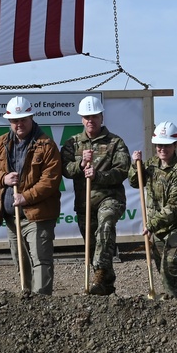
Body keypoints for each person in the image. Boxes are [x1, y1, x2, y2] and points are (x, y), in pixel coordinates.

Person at [0, 96, 62, 295]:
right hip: (12, 217)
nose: (19, 124)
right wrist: (3, 178)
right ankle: (27, 302)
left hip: (38, 216)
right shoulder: (1, 143)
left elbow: (50, 180)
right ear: (9, 121)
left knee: (40, 261)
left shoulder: (46, 145)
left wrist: (26, 197)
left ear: (31, 117)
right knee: (21, 261)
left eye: (23, 119)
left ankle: (42, 303)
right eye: (15, 120)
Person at [60, 95, 130, 295]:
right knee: (93, 246)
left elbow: (122, 171)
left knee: (106, 226)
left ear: (102, 117)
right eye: (87, 117)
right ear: (82, 119)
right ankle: (105, 285)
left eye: (95, 116)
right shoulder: (72, 143)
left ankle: (98, 277)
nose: (91, 120)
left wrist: (99, 175)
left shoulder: (115, 142)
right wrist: (80, 165)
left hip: (110, 199)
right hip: (84, 204)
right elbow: (64, 169)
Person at [129, 121, 177, 298]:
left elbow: (174, 207)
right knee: (163, 270)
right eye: (159, 145)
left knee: (170, 266)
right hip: (159, 229)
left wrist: (151, 224)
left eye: (166, 145)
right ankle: (175, 299)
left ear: (174, 145)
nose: (162, 149)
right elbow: (135, 182)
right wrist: (135, 165)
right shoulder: (152, 164)